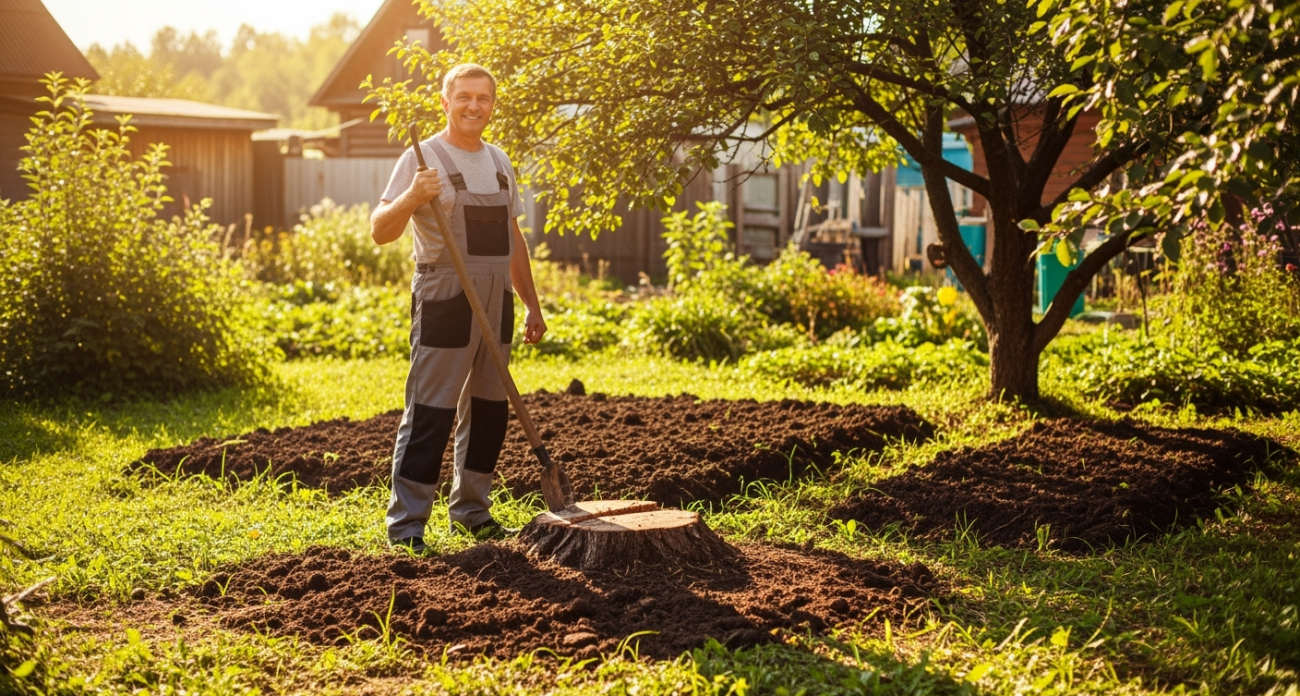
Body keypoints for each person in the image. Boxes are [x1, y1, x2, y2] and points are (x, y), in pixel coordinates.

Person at [370, 63, 547, 554]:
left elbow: (514, 240)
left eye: (483, 98)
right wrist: (411, 196)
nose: (474, 106)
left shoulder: (499, 161)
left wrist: (531, 304)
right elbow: (380, 230)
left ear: (493, 104)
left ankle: (472, 511)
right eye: (464, 97)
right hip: (446, 293)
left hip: (498, 298)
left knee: (490, 410)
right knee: (431, 409)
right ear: (445, 102)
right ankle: (407, 526)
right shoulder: (421, 157)